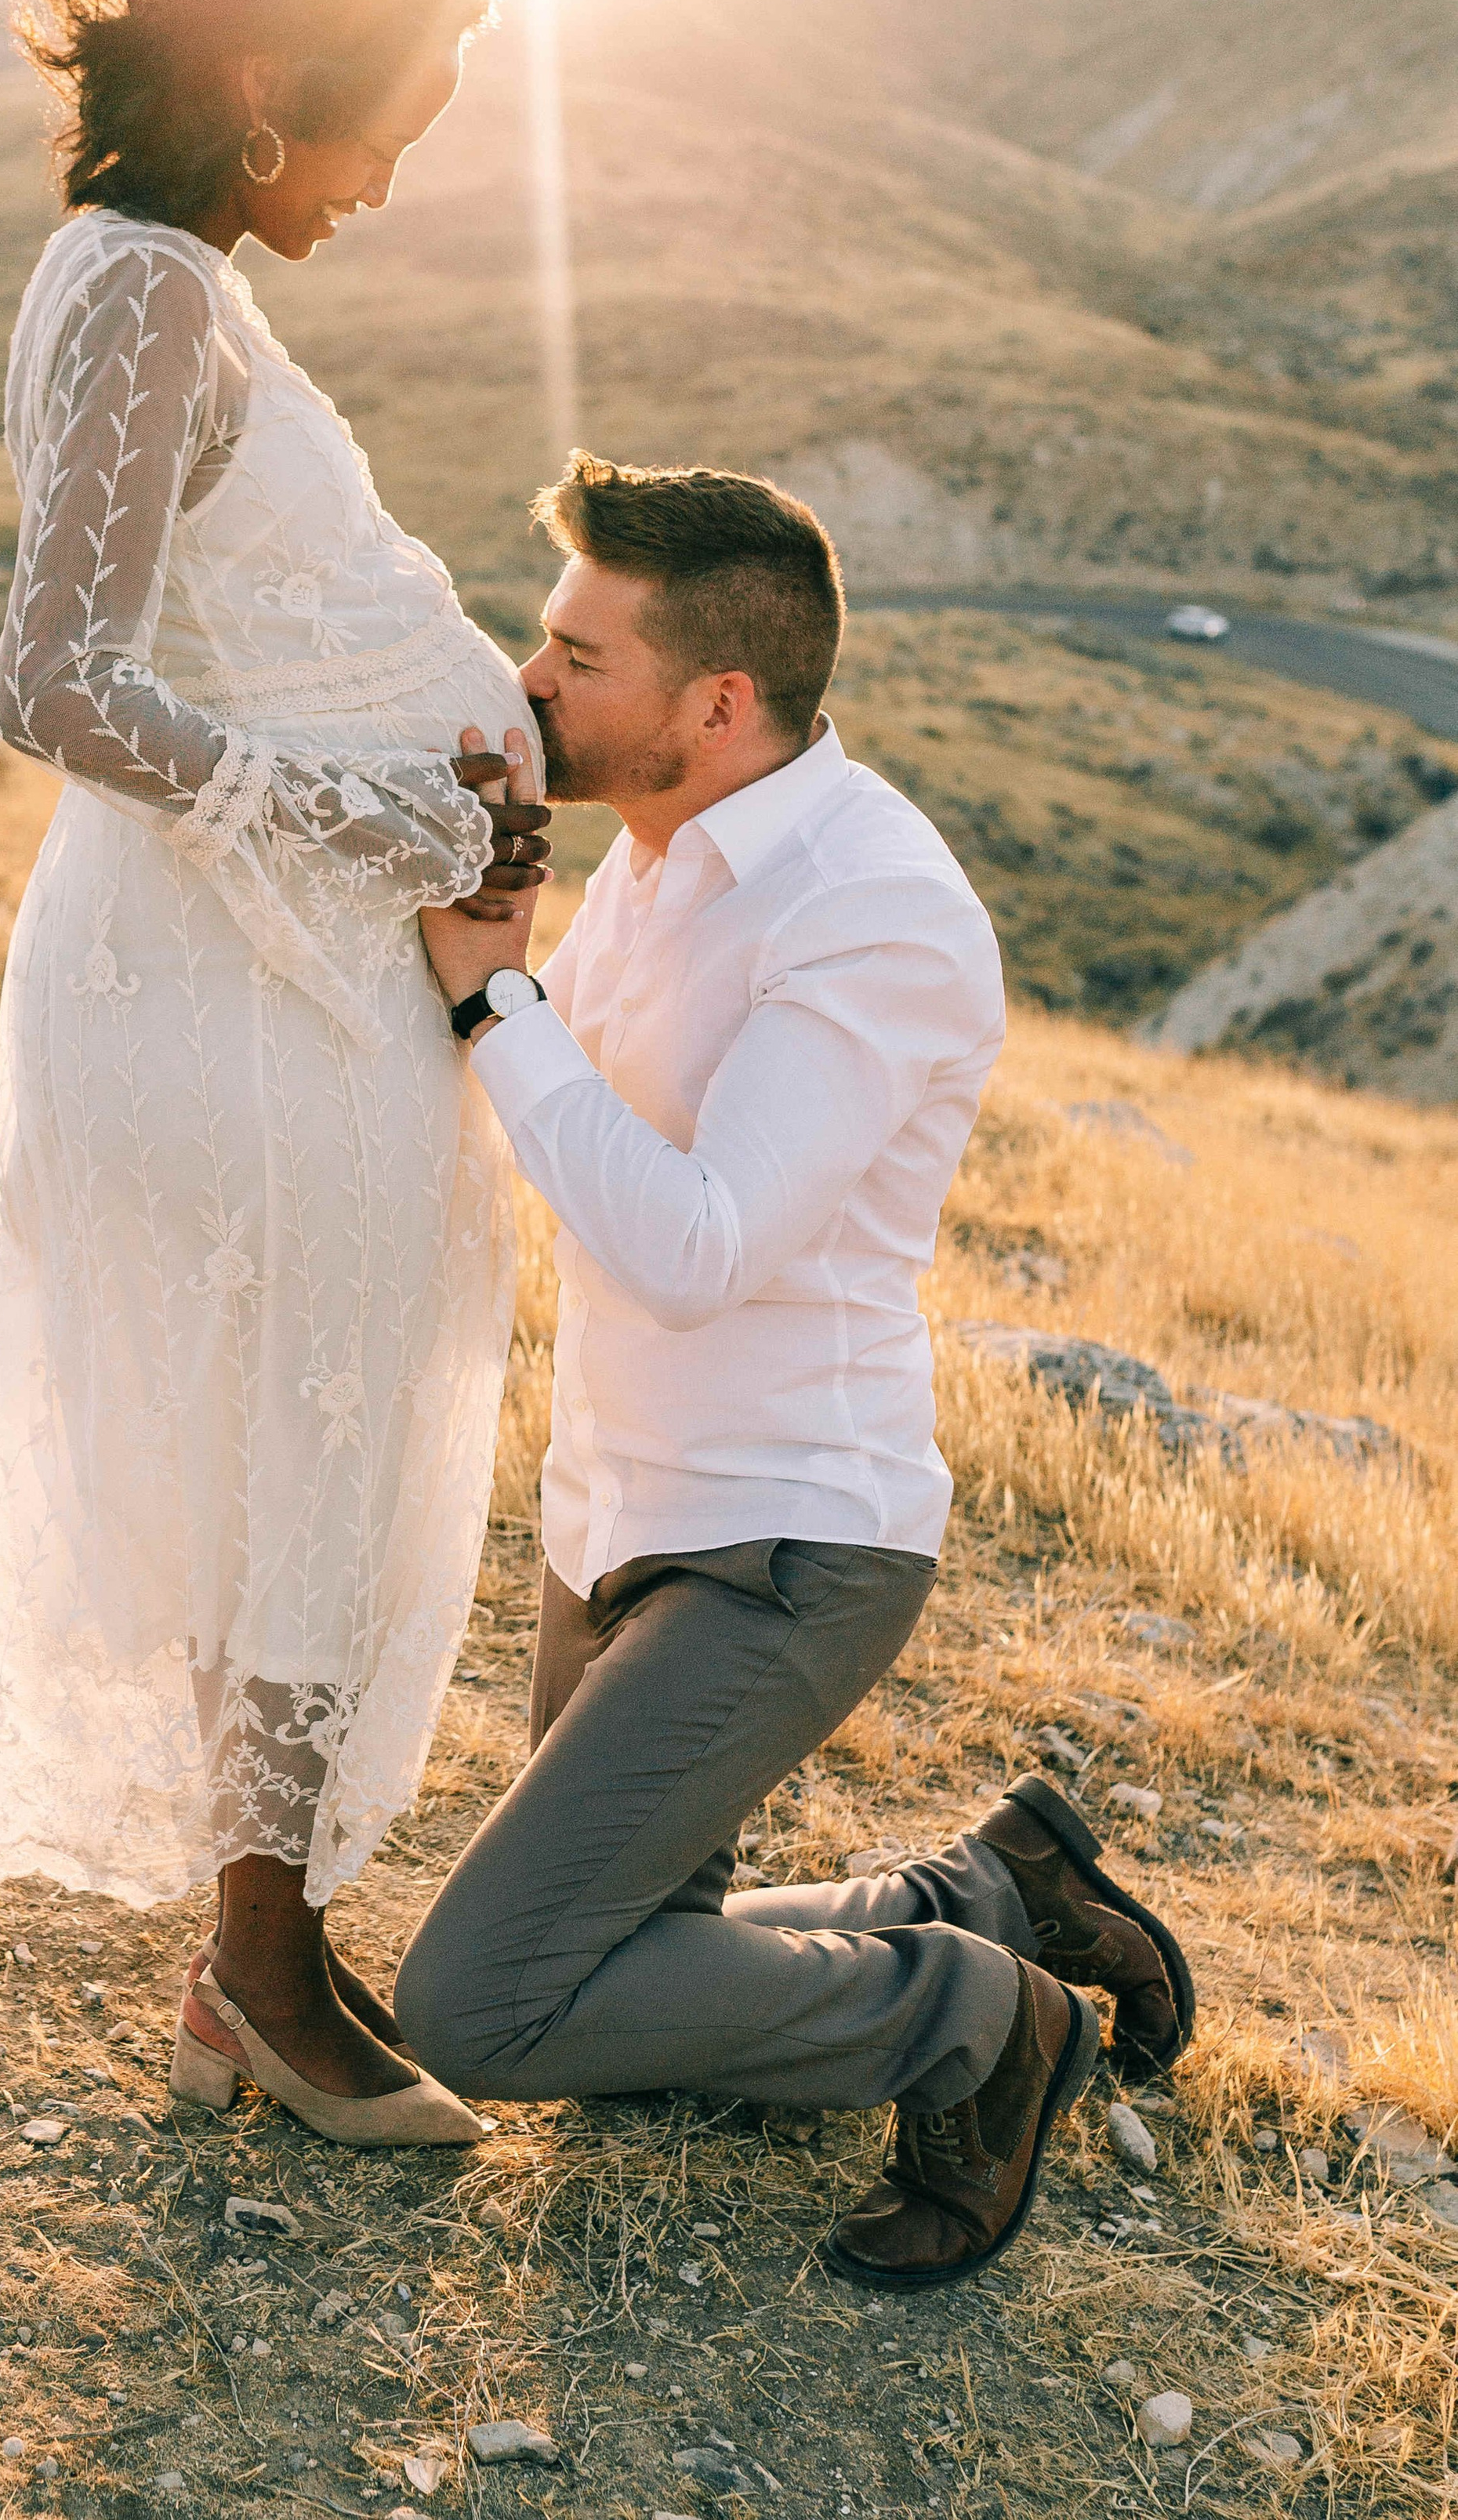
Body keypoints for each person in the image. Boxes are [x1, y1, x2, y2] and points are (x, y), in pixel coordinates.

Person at [394, 453, 1194, 2283]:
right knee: (609, 1994)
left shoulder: (869, 908)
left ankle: (980, 2020)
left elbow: (693, 1248)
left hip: (785, 1543)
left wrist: (493, 993)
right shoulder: (665, 859)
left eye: (573, 653)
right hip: (613, 1514)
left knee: (485, 2008)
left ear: (716, 702)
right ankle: (981, 1889)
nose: (530, 683)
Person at [0, 0, 554, 2147]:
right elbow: (58, 679)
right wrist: (385, 819)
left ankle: (260, 1958)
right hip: (219, 978)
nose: (401, 170)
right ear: (277, 83)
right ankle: (265, 1976)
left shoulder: (171, 278)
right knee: (297, 1428)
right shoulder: (148, 295)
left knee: (311, 1421)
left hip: (262, 971)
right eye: (399, 113)